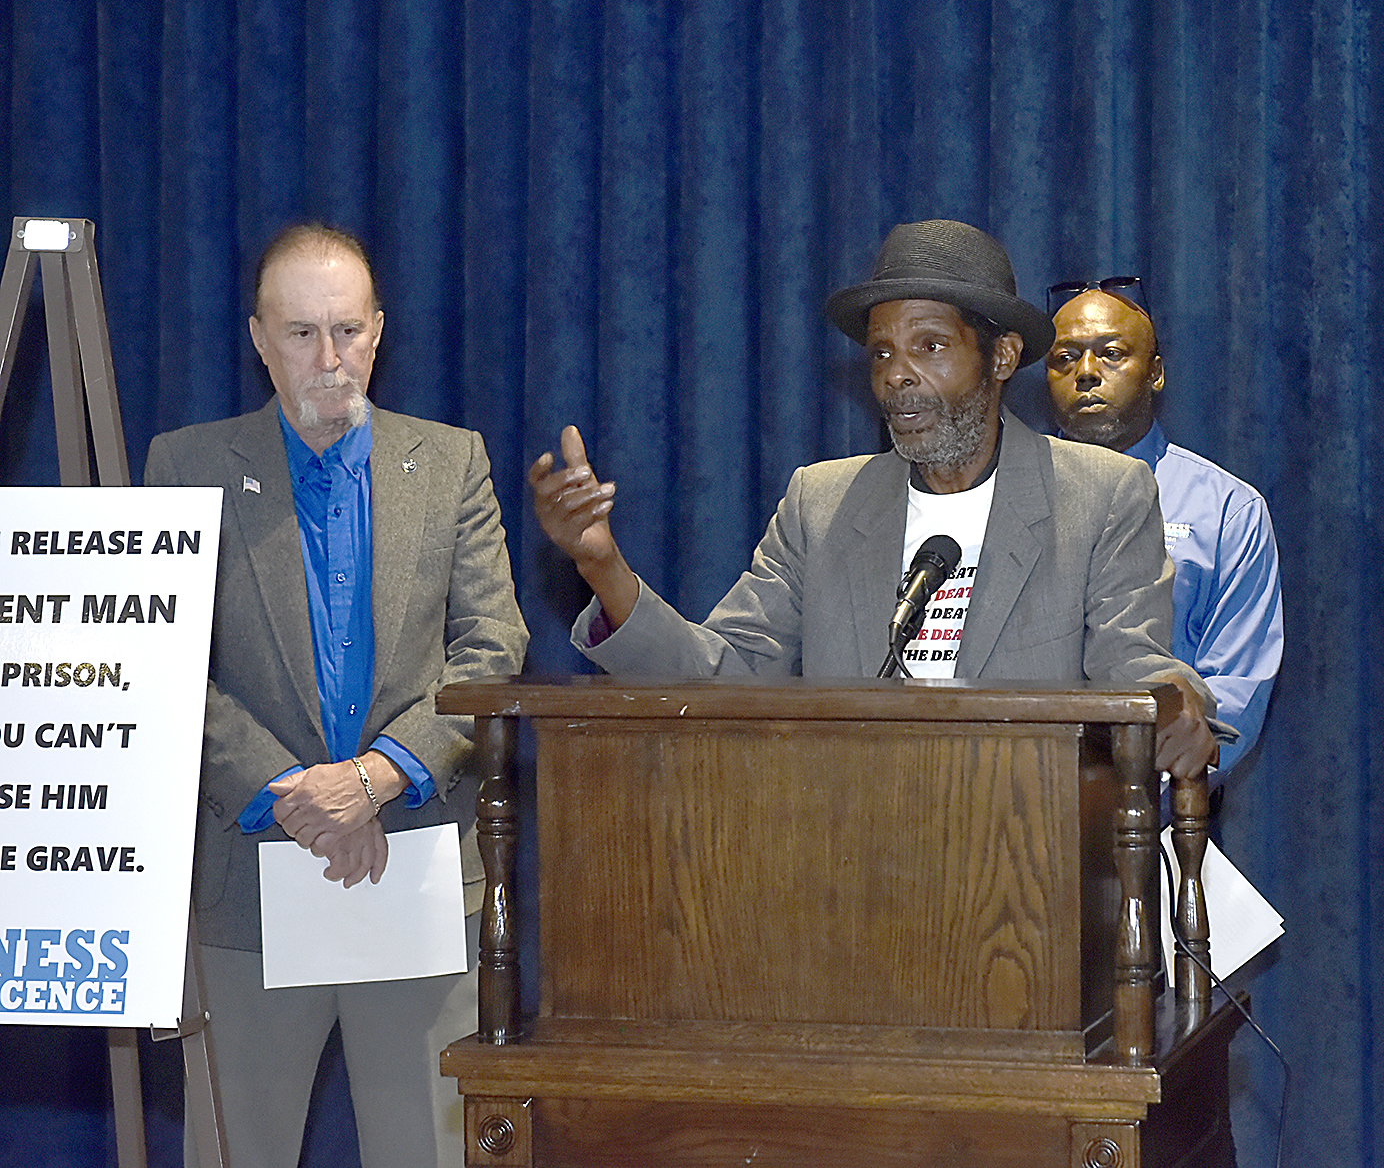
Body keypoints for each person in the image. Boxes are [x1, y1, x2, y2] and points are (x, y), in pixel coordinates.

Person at [531, 218, 1216, 777]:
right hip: (848, 865)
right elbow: (725, 676)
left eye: (930, 345)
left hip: (1024, 874)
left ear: (1003, 357)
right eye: (883, 353)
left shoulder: (1099, 497)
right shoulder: (822, 504)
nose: (898, 377)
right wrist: (604, 569)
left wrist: (1177, 702)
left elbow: (1140, 670)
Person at [145, 223, 529, 1167]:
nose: (329, 358)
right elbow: (165, 660)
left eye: (348, 331)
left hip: (417, 875)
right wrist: (299, 793)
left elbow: (494, 644)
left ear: (380, 330)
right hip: (248, 886)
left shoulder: (450, 463)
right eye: (302, 333)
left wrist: (377, 776)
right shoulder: (185, 466)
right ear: (258, 339)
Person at [1044, 279, 1283, 781]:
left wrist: (1144, 784)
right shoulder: (1005, 493)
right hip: (1018, 795)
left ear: (1154, 372)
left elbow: (1234, 690)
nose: (1086, 373)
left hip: (1156, 810)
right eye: (1065, 357)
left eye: (1111, 354)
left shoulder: (1227, 510)